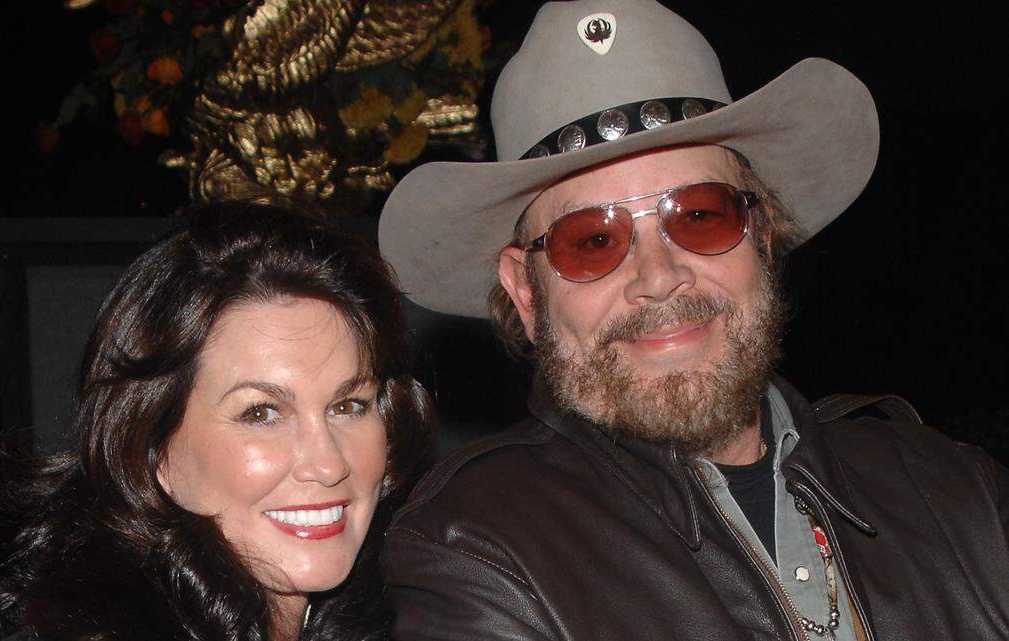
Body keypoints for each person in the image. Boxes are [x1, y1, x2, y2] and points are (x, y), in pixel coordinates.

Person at [377, 1, 1009, 640]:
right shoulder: (473, 549)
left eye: (699, 216)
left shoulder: (955, 492)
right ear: (526, 292)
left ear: (760, 238)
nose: (658, 277)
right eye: (592, 241)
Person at [0, 198, 432, 641]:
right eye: (261, 413)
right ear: (153, 449)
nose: (328, 464)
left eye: (348, 406)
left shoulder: (405, 608)